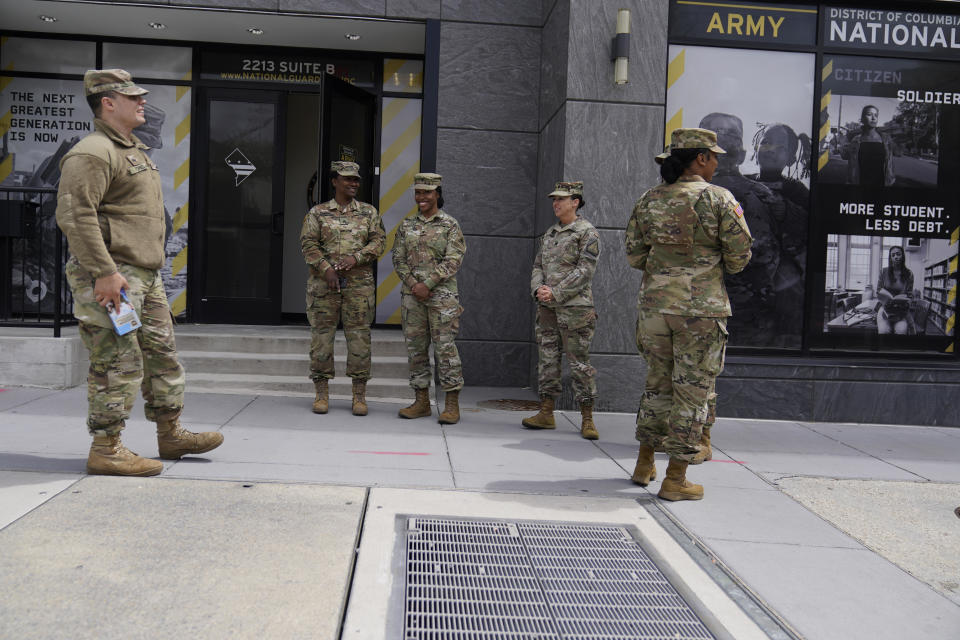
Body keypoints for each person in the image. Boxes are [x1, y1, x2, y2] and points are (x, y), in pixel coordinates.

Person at [55, 69, 223, 477]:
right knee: (118, 359)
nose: (142, 101)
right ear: (107, 103)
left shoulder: (133, 151)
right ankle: (106, 448)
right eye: (133, 97)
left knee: (162, 356)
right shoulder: (93, 152)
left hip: (145, 278)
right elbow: (76, 217)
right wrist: (105, 272)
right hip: (115, 278)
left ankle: (171, 434)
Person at [625, 128, 753, 501]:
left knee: (657, 385)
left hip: (655, 308)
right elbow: (740, 257)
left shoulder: (649, 200)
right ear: (700, 158)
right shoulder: (718, 199)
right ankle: (676, 479)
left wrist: (666, 269)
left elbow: (634, 255)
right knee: (692, 394)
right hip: (700, 311)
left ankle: (644, 462)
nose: (716, 162)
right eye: (714, 156)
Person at [300, 161, 386, 416]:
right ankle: (321, 394)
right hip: (324, 287)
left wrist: (355, 258)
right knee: (321, 340)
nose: (353, 183)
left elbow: (379, 241)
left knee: (360, 340)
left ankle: (359, 396)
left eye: (356, 179)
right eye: (347, 179)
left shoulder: (369, 213)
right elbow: (307, 243)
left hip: (359, 287)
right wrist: (325, 267)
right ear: (334, 181)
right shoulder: (317, 213)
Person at [522, 181, 602, 440]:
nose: (556, 203)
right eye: (554, 199)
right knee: (547, 360)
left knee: (579, 363)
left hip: (575, 309)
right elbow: (537, 266)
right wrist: (538, 290)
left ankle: (587, 418)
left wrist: (555, 292)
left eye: (561, 199)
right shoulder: (551, 233)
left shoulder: (586, 232)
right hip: (547, 308)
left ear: (575, 202)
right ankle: (546, 412)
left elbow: (585, 271)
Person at [698, 113, 782, 347]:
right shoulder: (757, 194)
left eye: (729, 135)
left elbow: (762, 257)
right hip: (731, 310)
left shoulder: (753, 195)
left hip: (730, 310)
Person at [392, 173, 466, 423]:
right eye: (418, 192)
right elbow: (398, 259)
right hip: (413, 297)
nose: (421, 197)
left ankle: (452, 405)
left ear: (437, 193)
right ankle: (421, 401)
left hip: (442, 298)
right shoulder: (406, 225)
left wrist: (429, 283)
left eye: (427, 192)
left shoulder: (450, 225)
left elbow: (454, 259)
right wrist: (415, 284)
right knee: (416, 350)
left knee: (445, 349)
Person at [841, 105, 895, 187]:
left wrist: (890, 181)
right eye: (869, 114)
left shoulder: (886, 139)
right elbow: (844, 156)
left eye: (876, 115)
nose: (873, 118)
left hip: (881, 185)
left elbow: (890, 163)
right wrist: (843, 140)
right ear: (862, 119)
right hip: (859, 185)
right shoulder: (855, 139)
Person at [876, 245, 915, 335]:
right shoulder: (883, 272)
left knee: (901, 331)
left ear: (903, 256)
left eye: (898, 254)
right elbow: (878, 291)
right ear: (890, 258)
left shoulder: (909, 274)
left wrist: (906, 302)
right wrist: (885, 300)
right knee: (884, 331)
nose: (896, 257)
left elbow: (910, 295)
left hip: (901, 310)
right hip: (885, 308)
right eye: (893, 255)